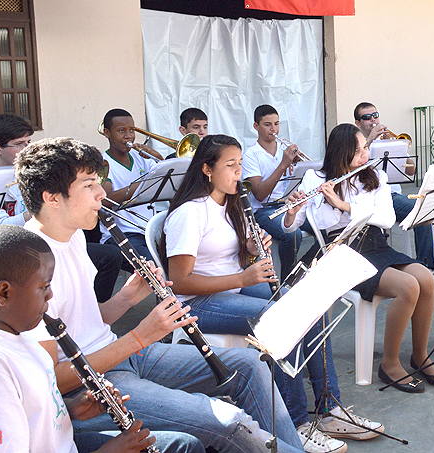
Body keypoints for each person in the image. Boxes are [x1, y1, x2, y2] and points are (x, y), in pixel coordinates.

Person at [14, 137, 305, 453]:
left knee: (251, 365)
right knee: (227, 421)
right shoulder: (31, 265)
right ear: (52, 198)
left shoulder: (73, 238)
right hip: (93, 388)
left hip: (122, 355)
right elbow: (52, 379)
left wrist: (127, 297)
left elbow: (84, 321)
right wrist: (139, 337)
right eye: (88, 185)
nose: (102, 194)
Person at [164, 134, 382, 453]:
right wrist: (244, 274)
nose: (239, 172)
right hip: (197, 304)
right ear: (207, 170)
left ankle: (329, 408)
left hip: (232, 289)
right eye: (230, 165)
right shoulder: (190, 213)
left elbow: (228, 259)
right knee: (284, 319)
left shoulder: (229, 204)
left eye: (240, 164)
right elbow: (179, 282)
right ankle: (295, 423)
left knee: (310, 306)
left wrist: (251, 250)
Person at [0, 225, 201, 453]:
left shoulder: (12, 330)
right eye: (44, 287)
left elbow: (32, 409)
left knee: (184, 444)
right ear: (3, 293)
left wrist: (72, 408)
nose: (50, 298)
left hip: (63, 441)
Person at [282, 123, 434, 393]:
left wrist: (342, 204)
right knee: (408, 286)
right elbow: (297, 223)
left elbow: (387, 218)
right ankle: (390, 364)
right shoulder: (315, 178)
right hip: (339, 251)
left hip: (374, 243)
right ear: (340, 153)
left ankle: (420, 355)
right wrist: (293, 210)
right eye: (357, 150)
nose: (364, 154)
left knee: (427, 279)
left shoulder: (376, 177)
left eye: (365, 147)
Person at [353, 102, 434, 270]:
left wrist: (399, 148)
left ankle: (426, 266)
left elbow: (411, 171)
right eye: (367, 117)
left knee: (423, 210)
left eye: (375, 115)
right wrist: (369, 141)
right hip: (367, 197)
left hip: (392, 196)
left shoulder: (388, 142)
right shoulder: (354, 144)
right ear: (358, 123)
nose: (373, 120)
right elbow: (352, 169)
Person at [242, 105, 305, 280]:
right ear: (256, 126)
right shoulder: (250, 155)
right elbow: (260, 195)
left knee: (323, 227)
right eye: (267, 125)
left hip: (289, 204)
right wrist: (283, 164)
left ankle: (306, 269)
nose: (274, 129)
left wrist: (299, 166)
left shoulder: (285, 151)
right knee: (292, 234)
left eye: (276, 124)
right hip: (263, 210)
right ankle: (287, 280)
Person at [100, 108, 162, 260]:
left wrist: (156, 156)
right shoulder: (103, 163)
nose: (128, 136)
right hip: (122, 234)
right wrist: (142, 185)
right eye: (121, 131)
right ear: (107, 133)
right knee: (155, 266)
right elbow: (105, 201)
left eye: (132, 130)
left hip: (149, 230)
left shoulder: (141, 158)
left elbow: (165, 174)